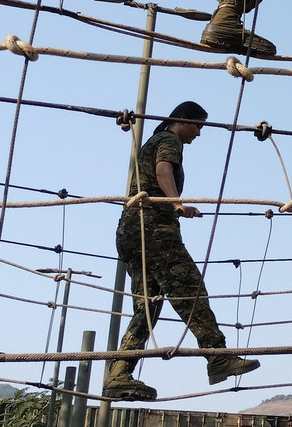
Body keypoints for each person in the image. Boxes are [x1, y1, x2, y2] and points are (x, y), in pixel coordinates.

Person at [103, 101, 260, 401]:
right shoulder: (169, 140)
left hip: (130, 233)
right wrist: (176, 204)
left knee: (147, 307)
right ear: (183, 120)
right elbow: (164, 170)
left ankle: (118, 373)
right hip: (155, 230)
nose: (199, 133)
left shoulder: (153, 140)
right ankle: (218, 356)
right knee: (191, 290)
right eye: (198, 125)